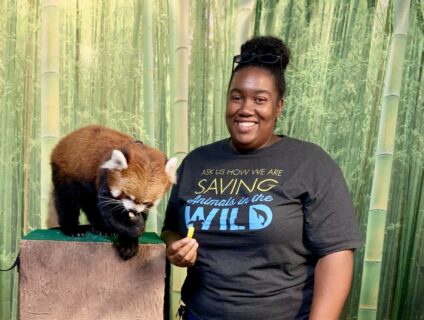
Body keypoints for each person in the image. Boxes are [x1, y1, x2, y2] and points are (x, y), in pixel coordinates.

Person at [161, 36, 363, 320]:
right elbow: (171, 228)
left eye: (260, 99)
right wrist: (174, 247)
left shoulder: (311, 163)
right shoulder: (197, 162)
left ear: (278, 107)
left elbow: (336, 253)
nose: (245, 108)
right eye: (236, 97)